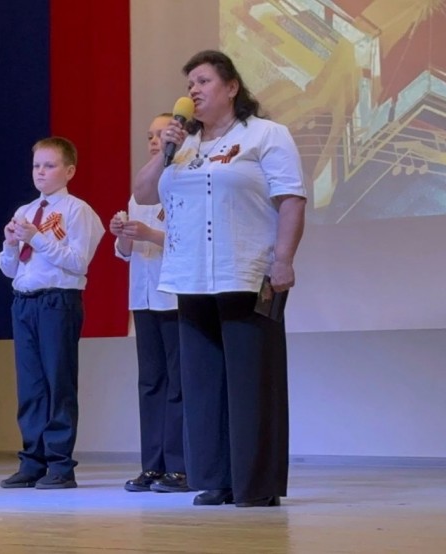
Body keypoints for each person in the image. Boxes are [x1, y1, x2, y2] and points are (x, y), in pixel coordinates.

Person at [132, 50, 307, 507]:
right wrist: (166, 148)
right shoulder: (183, 144)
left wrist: (284, 259)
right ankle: (217, 479)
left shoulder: (266, 134)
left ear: (231, 87)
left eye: (203, 81)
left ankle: (256, 485)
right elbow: (144, 193)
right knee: (204, 385)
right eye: (190, 83)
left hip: (246, 273)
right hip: (191, 277)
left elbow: (291, 199)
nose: (194, 90)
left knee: (251, 384)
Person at [0, 137, 104, 490]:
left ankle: (60, 464)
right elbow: (10, 269)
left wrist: (37, 238)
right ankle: (33, 460)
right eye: (36, 166)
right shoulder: (25, 211)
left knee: (58, 382)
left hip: (57, 301)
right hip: (24, 300)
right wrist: (10, 244)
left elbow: (78, 262)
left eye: (49, 165)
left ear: (69, 171)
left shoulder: (78, 211)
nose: (40, 172)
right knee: (30, 385)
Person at [110, 114, 187, 494]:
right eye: (149, 136)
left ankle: (180, 465)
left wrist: (150, 234)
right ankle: (152, 465)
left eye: (161, 134)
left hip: (173, 298)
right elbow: (125, 252)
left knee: (178, 383)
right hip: (142, 298)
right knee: (150, 383)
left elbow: (188, 241)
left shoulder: (184, 180)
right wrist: (123, 234)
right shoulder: (141, 187)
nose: (155, 141)